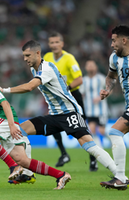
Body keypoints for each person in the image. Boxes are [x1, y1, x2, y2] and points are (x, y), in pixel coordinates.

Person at [0, 40, 122, 189]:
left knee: (89, 146)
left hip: (70, 113)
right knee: (20, 130)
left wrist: (5, 90)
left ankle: (119, 176)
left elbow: (30, 86)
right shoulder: (35, 70)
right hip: (54, 116)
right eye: (24, 56)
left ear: (38, 53)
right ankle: (27, 172)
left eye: (27, 55)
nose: (25, 59)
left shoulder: (46, 68)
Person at [0, 54, 71, 190]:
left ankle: (13, 167)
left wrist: (12, 125)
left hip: (4, 118)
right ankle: (61, 175)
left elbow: (5, 104)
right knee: (22, 160)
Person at [43, 32, 97, 171]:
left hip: (73, 96)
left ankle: (93, 158)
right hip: (57, 98)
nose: (54, 45)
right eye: (51, 42)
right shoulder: (47, 57)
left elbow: (79, 79)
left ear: (62, 43)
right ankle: (64, 154)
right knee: (52, 123)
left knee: (82, 126)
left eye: (57, 42)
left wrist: (65, 89)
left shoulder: (69, 58)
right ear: (49, 44)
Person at [100, 25, 129, 190]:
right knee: (115, 132)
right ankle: (121, 178)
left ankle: (120, 177)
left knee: (115, 131)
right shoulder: (114, 58)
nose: (112, 45)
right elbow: (111, 76)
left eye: (114, 40)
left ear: (124, 40)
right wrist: (108, 90)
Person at [80, 59, 108, 171]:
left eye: (92, 65)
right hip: (89, 111)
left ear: (96, 67)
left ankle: (114, 139)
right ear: (86, 68)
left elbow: (108, 91)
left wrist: (100, 97)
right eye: (88, 65)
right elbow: (81, 94)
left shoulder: (101, 79)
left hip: (101, 111)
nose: (90, 67)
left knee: (101, 132)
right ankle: (94, 161)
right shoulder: (84, 80)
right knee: (91, 133)